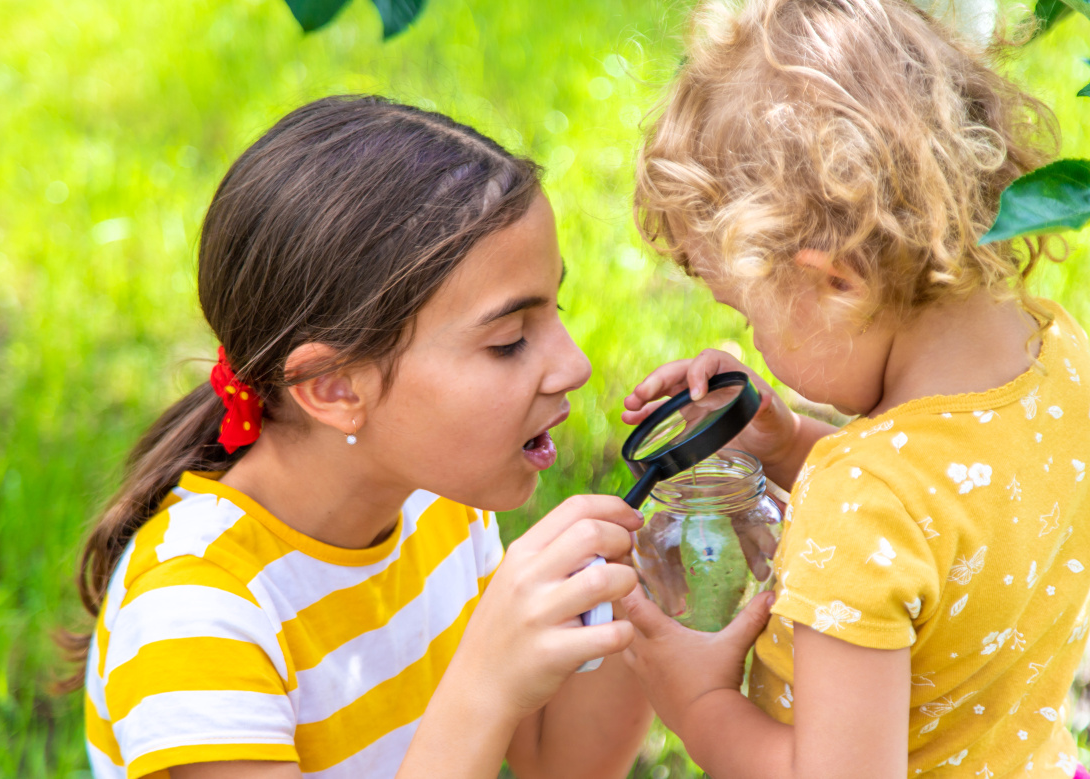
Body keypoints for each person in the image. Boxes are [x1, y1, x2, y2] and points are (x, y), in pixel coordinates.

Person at [64, 95, 651, 779]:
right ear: (334, 388)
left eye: (556, 309)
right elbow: (485, 710)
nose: (574, 364)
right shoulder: (195, 614)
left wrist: (652, 567)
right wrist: (485, 682)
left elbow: (562, 765)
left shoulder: (438, 508)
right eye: (509, 339)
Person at [618, 0, 1090, 777]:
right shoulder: (1056, 354)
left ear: (836, 282)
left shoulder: (861, 502)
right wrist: (788, 442)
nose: (753, 342)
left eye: (749, 313)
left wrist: (700, 702)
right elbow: (945, 503)